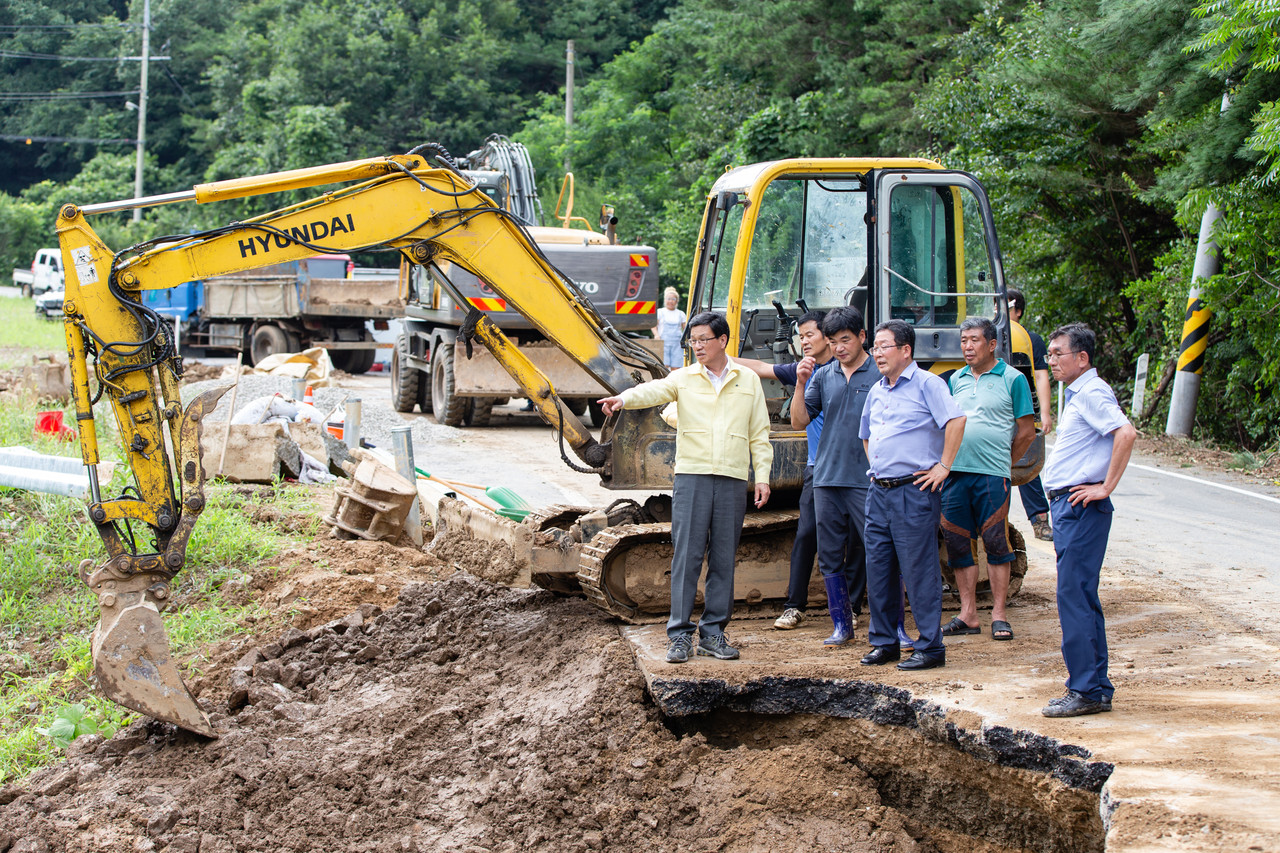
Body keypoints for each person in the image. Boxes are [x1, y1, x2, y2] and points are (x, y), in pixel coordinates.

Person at [598, 311, 772, 664]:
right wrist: (622, 400)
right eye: (693, 341)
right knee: (687, 557)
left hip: (732, 477)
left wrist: (764, 475)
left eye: (704, 339)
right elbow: (652, 390)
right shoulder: (685, 378)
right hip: (692, 478)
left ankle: (713, 634)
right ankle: (679, 635)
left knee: (724, 558)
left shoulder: (748, 380)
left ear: (722, 340)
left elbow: (760, 433)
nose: (697, 346)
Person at [1039, 323, 1136, 717]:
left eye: (1058, 354)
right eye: (1050, 354)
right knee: (1081, 596)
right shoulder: (1076, 391)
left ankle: (1085, 690)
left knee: (1073, 596)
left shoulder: (1092, 391)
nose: (1051, 361)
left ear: (1082, 358)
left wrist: (1104, 487)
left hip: (1081, 505)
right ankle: (1096, 686)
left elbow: (1125, 433)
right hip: (1070, 506)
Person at [858, 319, 966, 670]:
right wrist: (878, 467)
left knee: (918, 570)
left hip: (914, 491)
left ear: (905, 350)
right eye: (874, 347)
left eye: (883, 346)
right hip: (879, 492)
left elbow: (956, 421)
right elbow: (866, 435)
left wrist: (943, 466)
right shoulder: (878, 390)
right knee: (879, 569)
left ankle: (930, 647)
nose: (877, 353)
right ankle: (885, 642)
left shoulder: (927, 384)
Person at [732, 310, 833, 632]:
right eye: (800, 336)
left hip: (853, 469)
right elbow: (762, 368)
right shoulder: (806, 370)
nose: (803, 341)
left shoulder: (852, 371)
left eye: (809, 335)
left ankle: (853, 606)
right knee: (806, 536)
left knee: (856, 541)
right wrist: (719, 357)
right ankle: (795, 606)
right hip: (818, 468)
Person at [939, 317, 1036, 642]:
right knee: (956, 543)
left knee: (996, 542)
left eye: (974, 340)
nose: (967, 346)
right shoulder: (956, 380)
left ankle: (998, 614)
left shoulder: (1012, 379)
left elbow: (1026, 432)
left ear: (992, 344)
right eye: (964, 340)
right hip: (955, 474)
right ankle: (968, 614)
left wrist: (1003, 463)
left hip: (993, 476)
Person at [793, 306, 880, 646]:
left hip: (866, 477)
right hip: (827, 477)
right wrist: (801, 384)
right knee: (829, 554)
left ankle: (888, 625)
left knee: (878, 550)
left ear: (861, 337)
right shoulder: (823, 375)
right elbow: (799, 421)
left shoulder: (878, 373)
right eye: (834, 342)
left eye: (846, 340)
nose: (840, 347)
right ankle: (842, 625)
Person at [1007, 288, 1054, 541]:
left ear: (1019, 311)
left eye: (1007, 307)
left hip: (1021, 413)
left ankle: (1040, 520)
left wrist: (1044, 413)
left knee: (1025, 465)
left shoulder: (1029, 339)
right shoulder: (980, 338)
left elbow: (1040, 376)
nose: (999, 312)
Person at [654, 287, 688, 370]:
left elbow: (686, 328)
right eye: (669, 299)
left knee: (676, 367)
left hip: (677, 344)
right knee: (664, 366)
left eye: (673, 299)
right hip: (663, 343)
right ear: (665, 300)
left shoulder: (681, 313)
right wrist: (656, 335)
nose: (671, 301)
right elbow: (653, 325)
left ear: (676, 301)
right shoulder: (660, 312)